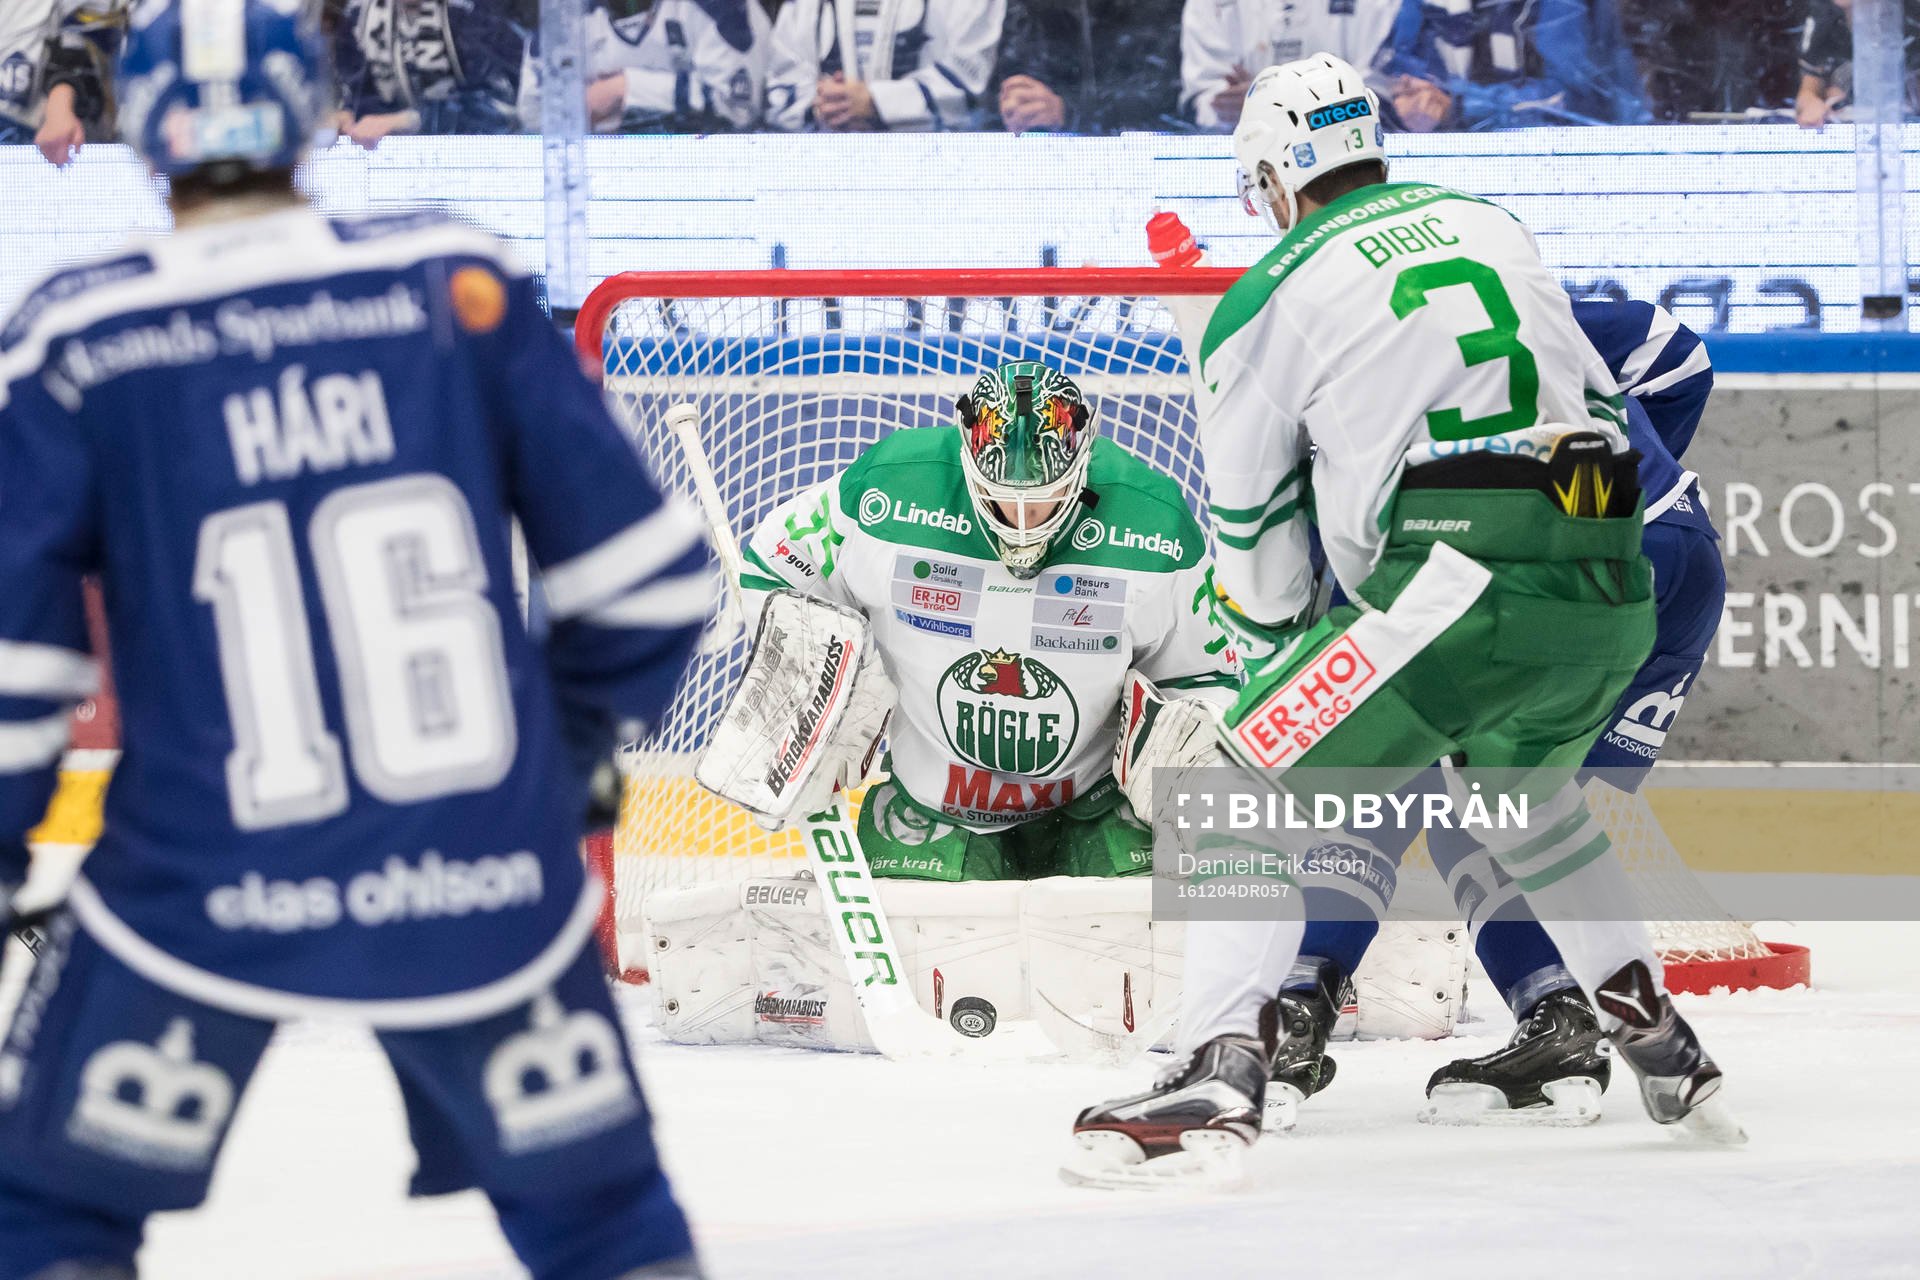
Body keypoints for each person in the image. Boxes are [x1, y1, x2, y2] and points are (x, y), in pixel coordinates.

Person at [0, 3, 713, 1275]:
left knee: (47, 1213)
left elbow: (17, 669)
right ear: (309, 112)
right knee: (601, 1219)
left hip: (196, 882)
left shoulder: (77, 335)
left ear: (141, 136)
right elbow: (651, 583)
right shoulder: (459, 281)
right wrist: (562, 756)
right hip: (478, 874)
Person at [1069, 53, 1739, 1186]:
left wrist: (1275, 659)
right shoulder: (1490, 222)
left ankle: (1214, 1065)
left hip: (1461, 575)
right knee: (1528, 804)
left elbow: (1260, 547)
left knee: (1238, 780)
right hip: (1613, 566)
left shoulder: (1265, 297)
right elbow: (1605, 391)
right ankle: (1656, 1035)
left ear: (1277, 175)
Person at [1264, 300, 1724, 1125]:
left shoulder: (1329, 376)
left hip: (1534, 576)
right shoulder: (1510, 303)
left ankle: (1300, 998)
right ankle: (1577, 1015)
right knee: (1503, 802)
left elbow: (1308, 573)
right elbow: (1677, 354)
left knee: (1372, 770)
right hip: (1675, 559)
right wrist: (1619, 484)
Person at [732, 360, 1241, 883]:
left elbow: (1206, 674)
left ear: (1083, 457)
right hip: (933, 803)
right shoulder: (888, 493)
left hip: (1098, 798)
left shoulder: (1155, 528)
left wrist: (1188, 750)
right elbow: (775, 564)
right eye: (1003, 498)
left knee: (1147, 939)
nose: (1023, 521)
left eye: (1043, 497)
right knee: (922, 946)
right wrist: (811, 695)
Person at [1380, 0, 1648, 130]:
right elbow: (1403, 72)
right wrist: (1414, 101)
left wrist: (1460, 109)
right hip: (1451, 168)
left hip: (1558, 166)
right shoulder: (1425, 5)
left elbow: (1576, 102)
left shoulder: (1563, 6)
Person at [518, 0, 769, 135]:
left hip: (709, 173)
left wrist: (625, 88)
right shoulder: (560, 13)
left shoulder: (717, 7)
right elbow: (533, 113)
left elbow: (740, 108)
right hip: (598, 176)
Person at [763, 0, 1003, 132]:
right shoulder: (804, 6)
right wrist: (826, 105)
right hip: (828, 177)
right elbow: (780, 88)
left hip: (937, 173)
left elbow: (972, 81)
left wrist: (877, 102)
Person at [332, 0, 531, 148]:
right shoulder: (360, 14)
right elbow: (353, 88)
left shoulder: (480, 12)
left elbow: (504, 106)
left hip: (481, 159)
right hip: (389, 168)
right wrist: (347, 113)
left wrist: (410, 121)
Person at [1181, 0, 1400, 131]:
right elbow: (1203, 99)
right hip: (1247, 157)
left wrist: (1267, 105)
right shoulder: (1210, 5)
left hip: (1348, 150)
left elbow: (1380, 93)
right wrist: (1220, 110)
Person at [994, 0, 1184, 134]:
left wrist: (1069, 113)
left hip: (1143, 161)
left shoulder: (1158, 9)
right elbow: (1003, 84)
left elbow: (1168, 97)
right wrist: (1016, 104)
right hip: (1048, 159)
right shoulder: (1029, 8)